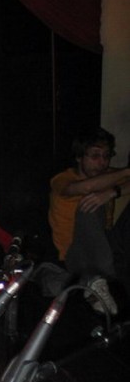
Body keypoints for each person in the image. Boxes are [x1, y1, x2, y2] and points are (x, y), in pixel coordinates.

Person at [48, 126, 130, 314]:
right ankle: (104, 277)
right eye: (95, 156)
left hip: (106, 245)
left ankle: (103, 278)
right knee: (90, 204)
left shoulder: (108, 177)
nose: (102, 162)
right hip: (74, 254)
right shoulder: (62, 179)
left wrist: (113, 192)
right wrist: (126, 172)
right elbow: (83, 188)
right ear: (79, 157)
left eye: (106, 156)